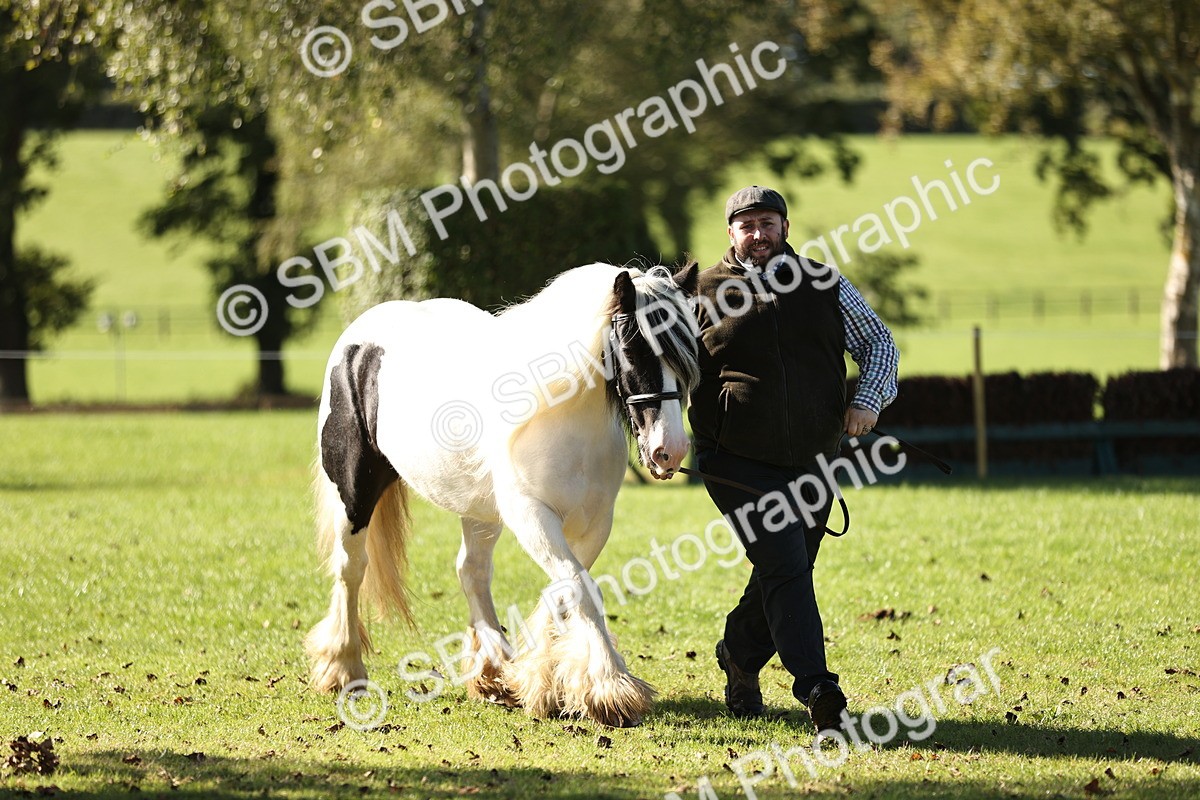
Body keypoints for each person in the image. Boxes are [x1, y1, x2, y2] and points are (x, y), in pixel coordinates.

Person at [688, 185, 899, 731]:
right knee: (784, 560)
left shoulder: (825, 284)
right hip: (733, 457)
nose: (758, 235)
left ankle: (738, 654)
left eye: (768, 223)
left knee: (788, 567)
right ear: (730, 232)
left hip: (813, 455)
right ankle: (817, 687)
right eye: (747, 224)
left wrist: (866, 402)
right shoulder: (699, 293)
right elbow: (663, 366)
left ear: (785, 226)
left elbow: (879, 344)